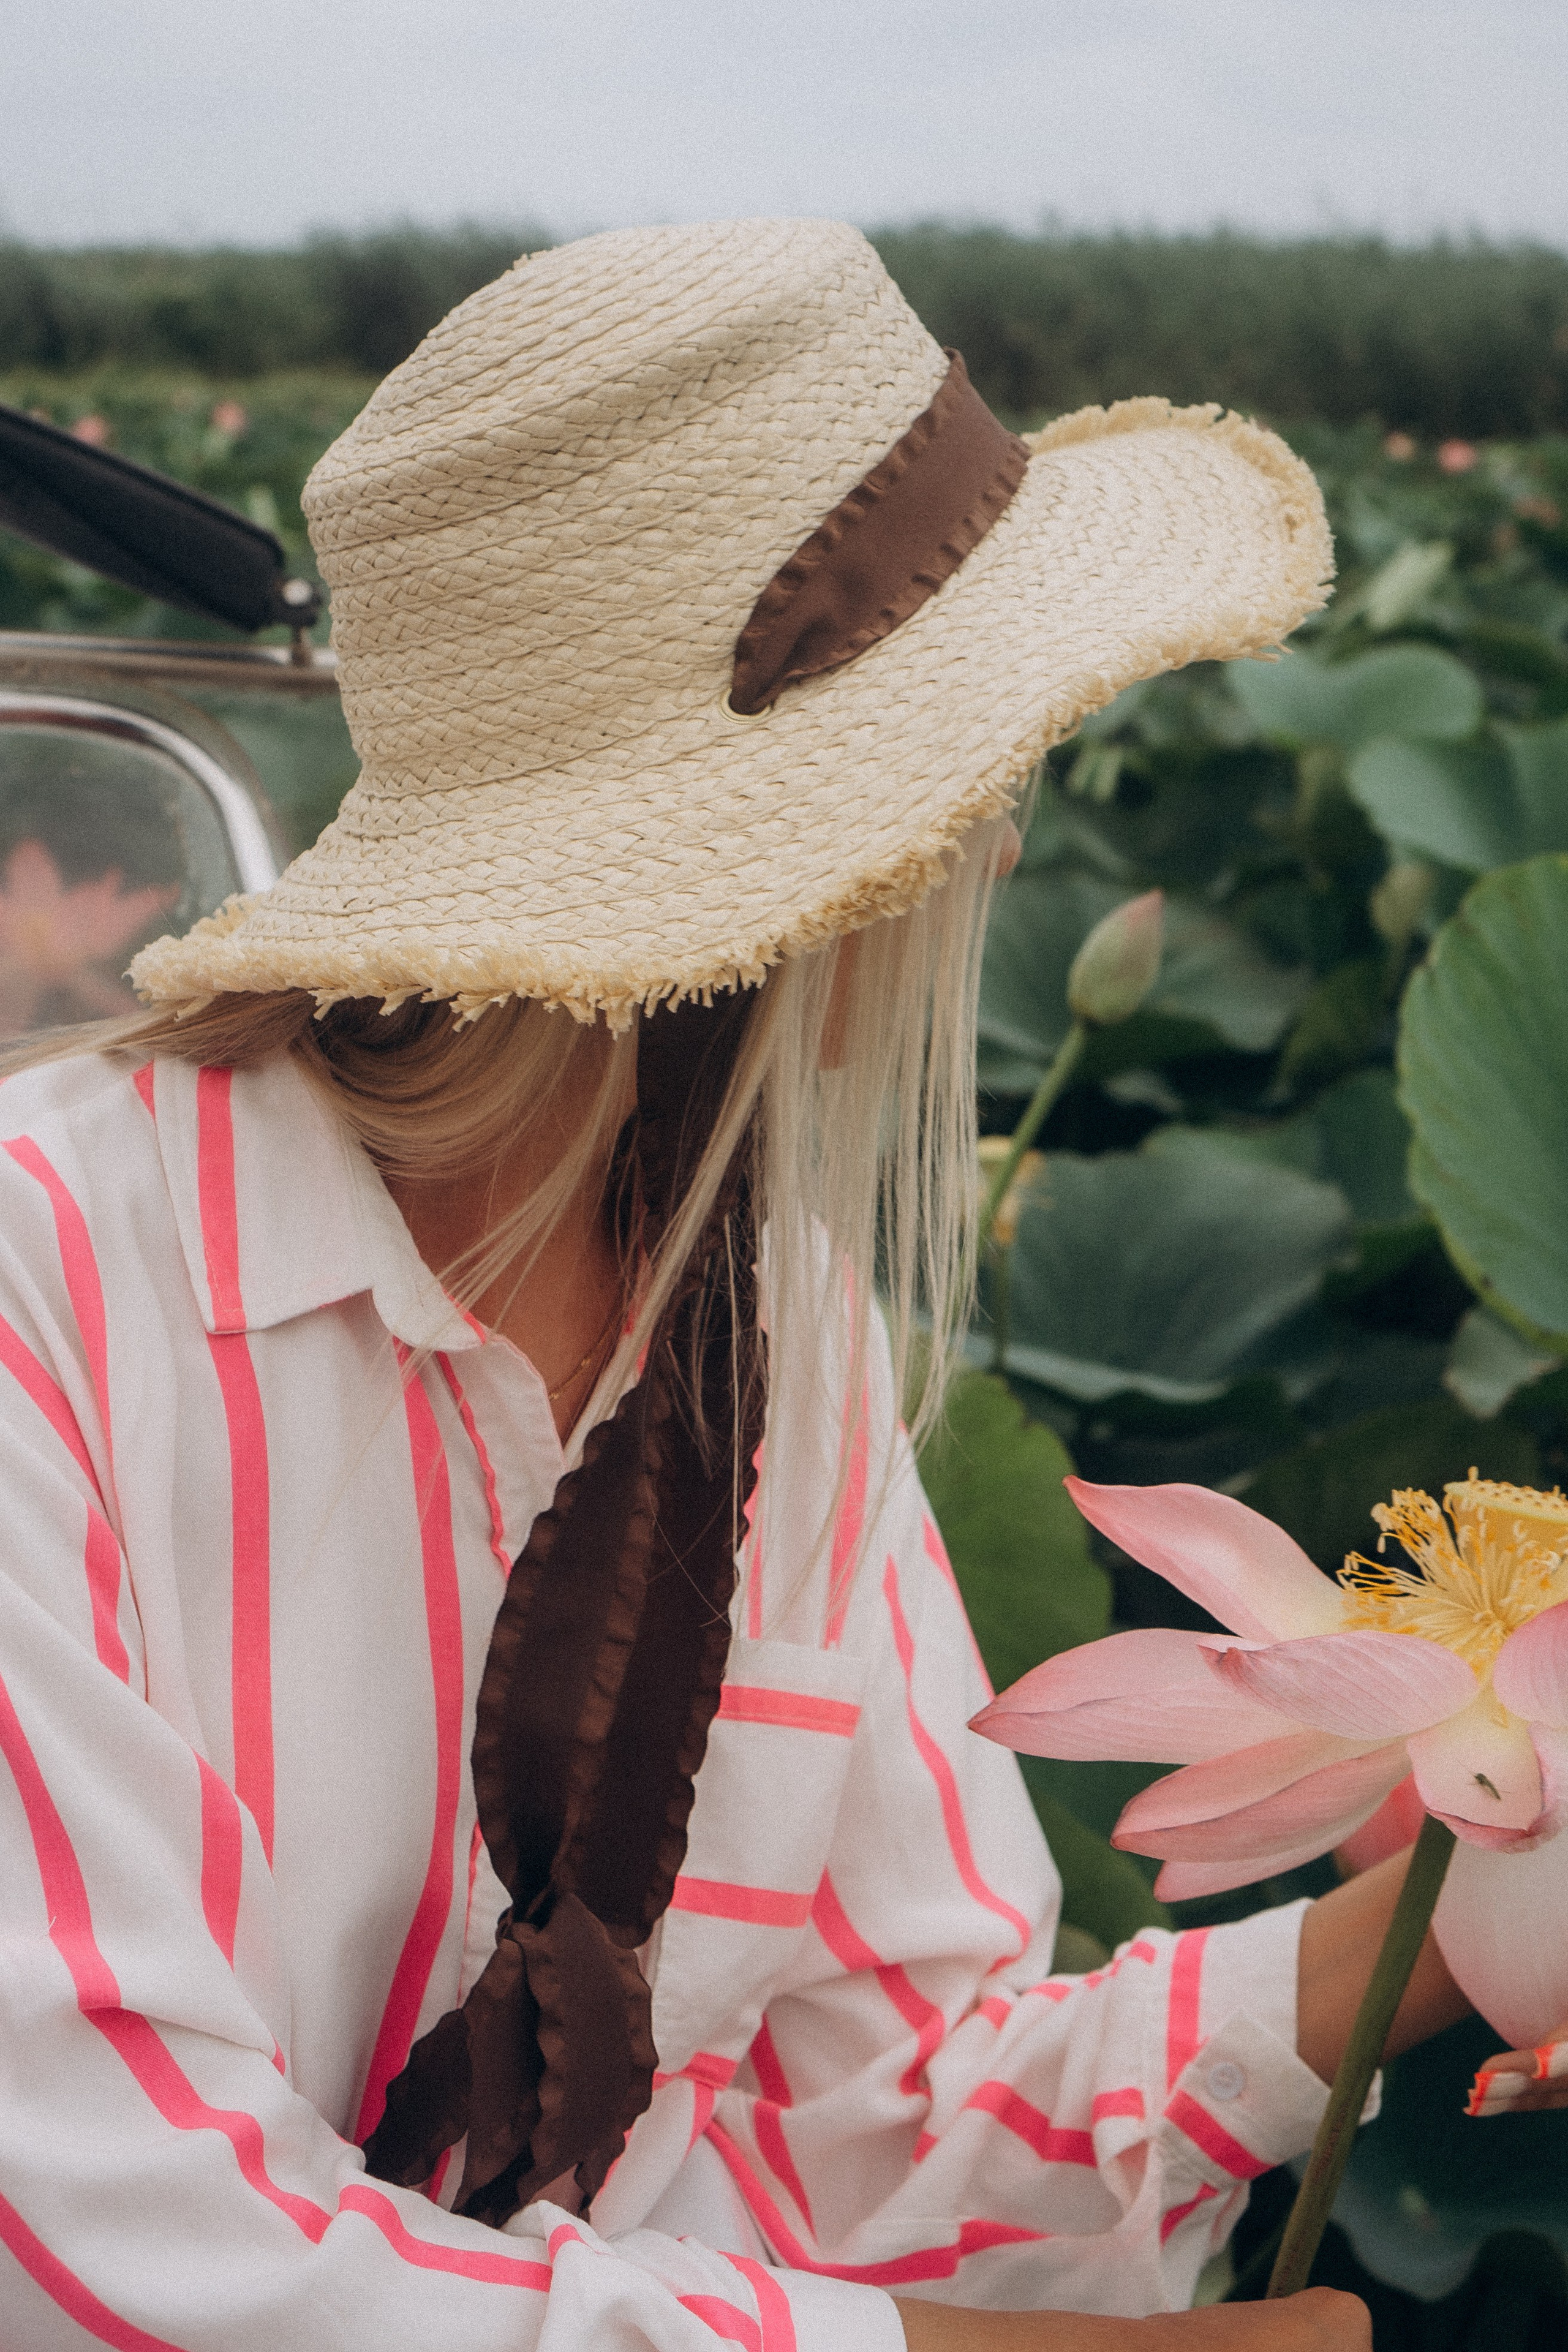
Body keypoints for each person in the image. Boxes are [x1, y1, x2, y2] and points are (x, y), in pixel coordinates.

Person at [0, 217, 1538, 2352]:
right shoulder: (40, 1301)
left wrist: (1481, 1914)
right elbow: (109, 2257)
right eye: (963, 762)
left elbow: (881, 2124)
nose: (1003, 851)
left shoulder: (768, 1326)